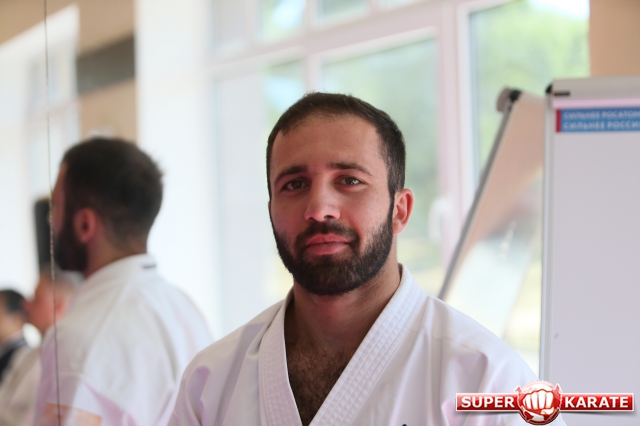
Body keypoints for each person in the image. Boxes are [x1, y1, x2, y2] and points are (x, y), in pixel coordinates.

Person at [170, 93, 564, 425]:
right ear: (271, 210)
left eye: (350, 180)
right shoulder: (212, 382)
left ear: (400, 210)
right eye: (295, 184)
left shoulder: (486, 381)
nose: (319, 208)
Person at [34, 137, 213, 426]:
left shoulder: (78, 339)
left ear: (84, 225)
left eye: (55, 207)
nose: (50, 222)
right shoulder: (185, 309)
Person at [0, 267, 80, 426]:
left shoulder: (67, 359)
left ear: (57, 306)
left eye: (36, 299)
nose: (26, 305)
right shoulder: (26, 354)